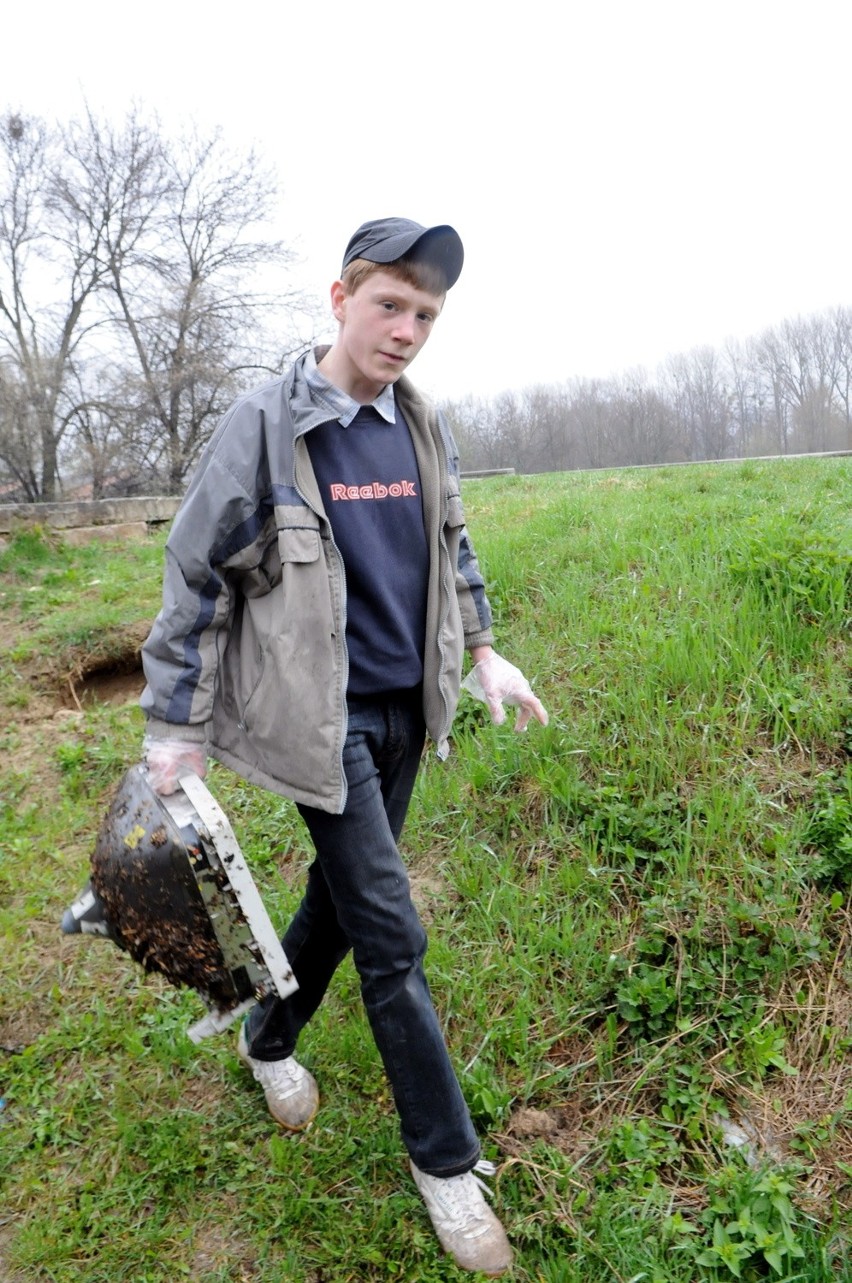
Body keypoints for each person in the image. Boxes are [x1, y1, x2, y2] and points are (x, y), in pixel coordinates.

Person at [139, 217, 548, 1276]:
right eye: (390, 305)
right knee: (394, 934)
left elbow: (452, 540)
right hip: (320, 723)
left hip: (408, 712)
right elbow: (196, 574)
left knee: (343, 899)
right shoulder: (266, 426)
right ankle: (447, 1164)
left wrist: (488, 649)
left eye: (426, 314)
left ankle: (266, 1036)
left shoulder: (418, 423)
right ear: (340, 296)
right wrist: (172, 723)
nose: (407, 331)